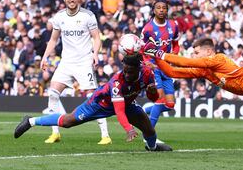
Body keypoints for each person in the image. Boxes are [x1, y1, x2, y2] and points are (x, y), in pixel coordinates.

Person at [14, 54, 172, 152]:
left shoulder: (147, 73)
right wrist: (128, 129)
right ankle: (30, 121)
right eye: (125, 70)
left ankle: (152, 147)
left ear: (138, 69)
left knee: (148, 129)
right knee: (68, 121)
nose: (127, 74)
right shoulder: (117, 82)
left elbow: (152, 98)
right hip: (100, 104)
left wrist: (152, 90)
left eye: (130, 71)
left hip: (128, 104)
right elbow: (119, 111)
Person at [40, 0, 111, 145]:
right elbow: (53, 40)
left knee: (94, 97)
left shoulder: (88, 15)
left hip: (84, 62)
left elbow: (96, 38)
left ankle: (105, 135)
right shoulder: (59, 17)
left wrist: (95, 53)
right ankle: (55, 133)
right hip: (66, 62)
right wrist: (45, 57)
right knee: (52, 93)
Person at [140, 0, 180, 133]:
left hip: (166, 67)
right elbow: (141, 49)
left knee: (170, 105)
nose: (161, 10)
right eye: (158, 8)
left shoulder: (173, 26)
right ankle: (149, 132)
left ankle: (143, 112)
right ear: (154, 10)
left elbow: (175, 44)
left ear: (167, 10)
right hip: (154, 68)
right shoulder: (148, 28)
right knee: (160, 98)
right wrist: (147, 63)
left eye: (164, 8)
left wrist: (173, 55)